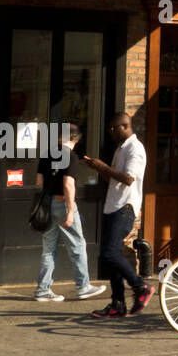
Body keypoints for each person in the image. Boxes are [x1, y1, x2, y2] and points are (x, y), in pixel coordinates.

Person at [83, 113, 152, 317]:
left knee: (110, 253)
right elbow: (114, 178)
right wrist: (98, 168)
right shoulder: (121, 149)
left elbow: (129, 179)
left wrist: (103, 166)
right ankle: (118, 304)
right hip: (113, 206)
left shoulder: (135, 149)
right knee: (110, 256)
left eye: (114, 129)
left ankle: (141, 287)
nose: (111, 132)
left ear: (125, 126)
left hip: (125, 207)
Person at [35, 122, 106, 303]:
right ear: (74, 139)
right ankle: (83, 286)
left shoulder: (46, 155)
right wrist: (70, 211)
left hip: (48, 203)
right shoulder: (71, 157)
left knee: (48, 249)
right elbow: (68, 183)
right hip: (63, 202)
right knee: (77, 245)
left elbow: (39, 183)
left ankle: (43, 289)